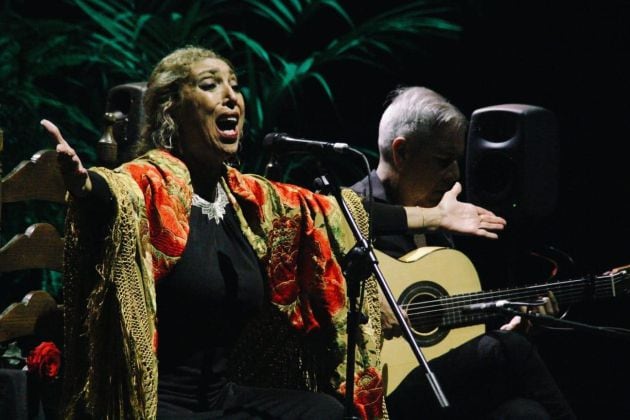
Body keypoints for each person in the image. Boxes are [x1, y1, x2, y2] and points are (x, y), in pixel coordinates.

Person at [41, 47, 507, 419]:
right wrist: (85, 185)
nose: (232, 97)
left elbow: (334, 212)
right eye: (210, 85)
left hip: (222, 398)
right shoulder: (148, 184)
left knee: (327, 411)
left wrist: (435, 218)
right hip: (154, 403)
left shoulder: (248, 200)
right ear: (171, 111)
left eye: (235, 87)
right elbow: (113, 194)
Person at [351, 86, 576, 419]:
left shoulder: (441, 225)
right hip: (378, 392)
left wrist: (508, 333)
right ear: (402, 153)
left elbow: (444, 344)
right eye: (443, 161)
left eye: (456, 161)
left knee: (524, 412)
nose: (455, 175)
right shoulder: (348, 212)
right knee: (508, 351)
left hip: (435, 387)